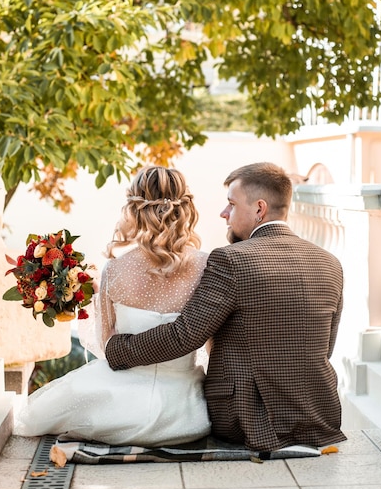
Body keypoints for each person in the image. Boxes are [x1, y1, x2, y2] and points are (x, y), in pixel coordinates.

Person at [106, 162, 347, 452]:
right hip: (319, 417)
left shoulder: (231, 260)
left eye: (231, 204)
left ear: (259, 209)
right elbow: (326, 347)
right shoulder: (330, 263)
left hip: (244, 418)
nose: (223, 213)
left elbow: (185, 336)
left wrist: (116, 349)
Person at [14, 166, 211, 446]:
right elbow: (213, 345)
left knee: (45, 411)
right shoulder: (207, 266)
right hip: (188, 412)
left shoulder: (115, 270)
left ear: (133, 208)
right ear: (186, 207)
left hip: (121, 404)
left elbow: (107, 346)